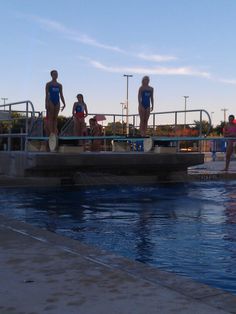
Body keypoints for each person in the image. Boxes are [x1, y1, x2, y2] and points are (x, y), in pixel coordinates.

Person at [45, 70, 66, 135]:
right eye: (54, 74)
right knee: (51, 118)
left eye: (56, 74)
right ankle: (51, 132)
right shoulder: (48, 84)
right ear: (51, 75)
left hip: (57, 101)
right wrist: (46, 103)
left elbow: (61, 95)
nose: (55, 75)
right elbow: (46, 94)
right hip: (50, 100)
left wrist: (64, 103)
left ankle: (54, 131)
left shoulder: (59, 85)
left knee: (55, 118)